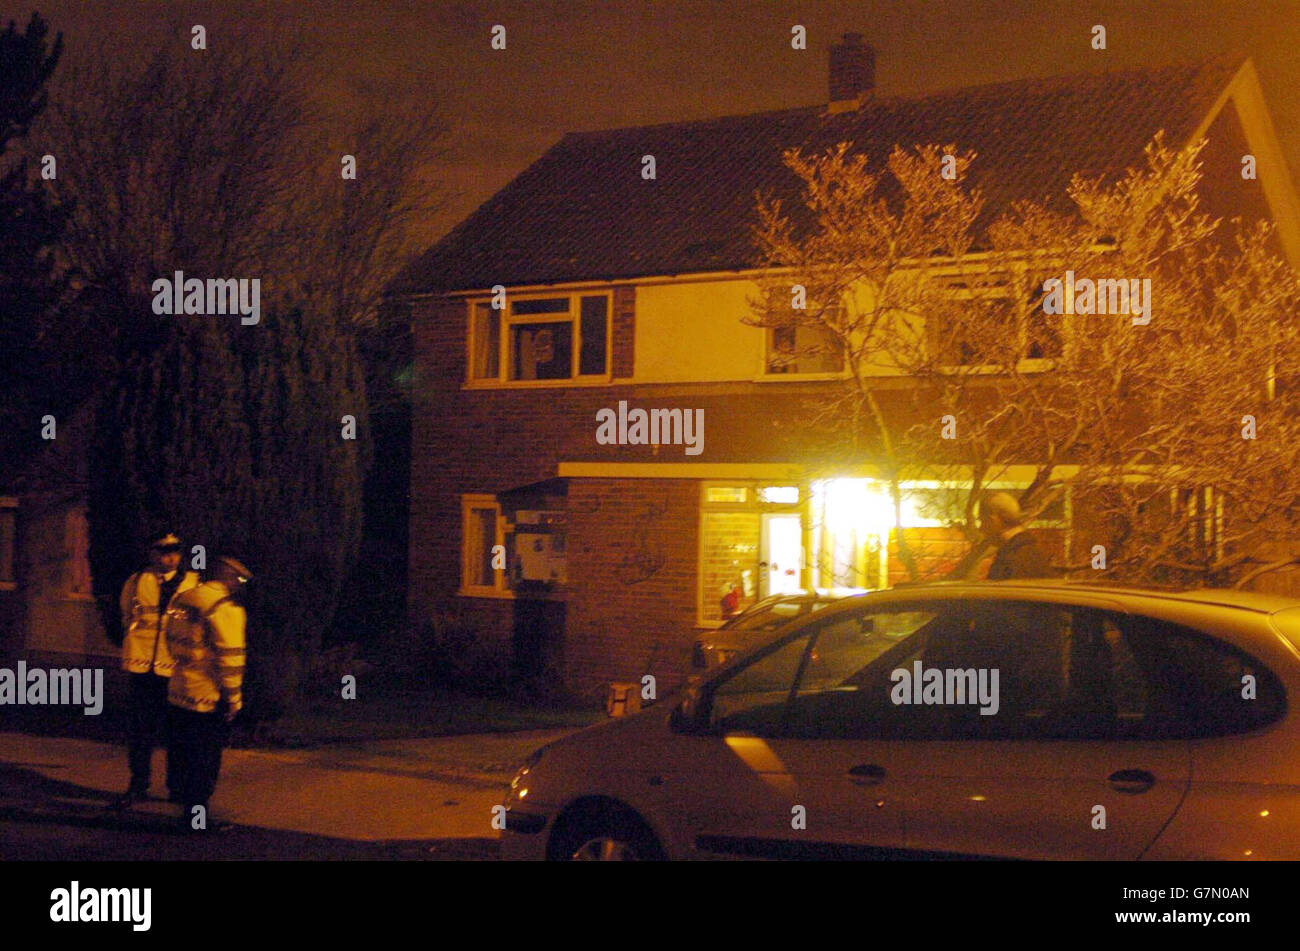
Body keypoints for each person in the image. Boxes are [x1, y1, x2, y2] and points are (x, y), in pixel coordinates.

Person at [110, 531, 199, 810]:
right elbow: (127, 615)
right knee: (140, 731)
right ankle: (138, 785)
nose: (169, 556)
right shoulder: (137, 581)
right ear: (152, 553)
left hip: (174, 668)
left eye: (174, 551)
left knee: (177, 732)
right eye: (163, 551)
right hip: (141, 667)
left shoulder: (193, 584)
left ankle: (177, 788)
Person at [165, 555, 251, 832]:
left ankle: (181, 805)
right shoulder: (225, 608)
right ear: (228, 577)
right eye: (239, 580)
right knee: (204, 759)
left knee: (181, 751)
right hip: (207, 694)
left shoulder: (184, 599)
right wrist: (234, 699)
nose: (240, 586)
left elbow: (170, 639)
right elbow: (231, 659)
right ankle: (196, 820)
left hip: (179, 687)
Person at [979, 492, 1055, 580]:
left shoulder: (1013, 559)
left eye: (982, 521)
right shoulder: (1030, 552)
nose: (981, 529)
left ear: (994, 521)